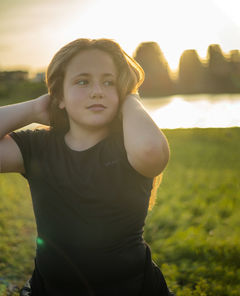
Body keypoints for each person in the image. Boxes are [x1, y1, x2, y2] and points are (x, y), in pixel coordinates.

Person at [0, 38, 173, 296]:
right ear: (59, 96)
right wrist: (35, 108)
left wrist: (130, 100)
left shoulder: (128, 146)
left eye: (108, 82)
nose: (97, 91)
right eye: (82, 81)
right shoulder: (38, 147)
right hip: (51, 289)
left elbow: (152, 153)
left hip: (131, 288)